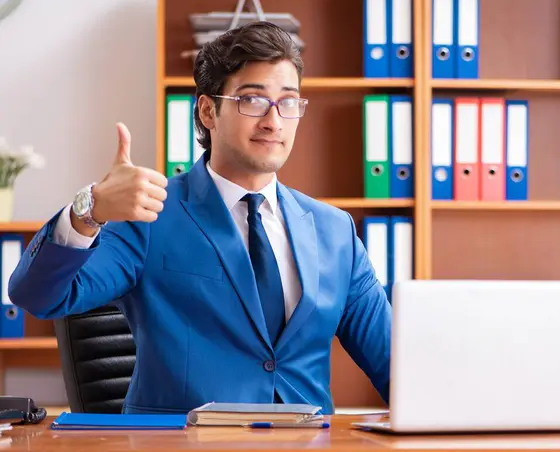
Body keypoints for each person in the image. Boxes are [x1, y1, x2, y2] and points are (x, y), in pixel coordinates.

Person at [8, 21, 391, 415]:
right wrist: (90, 210)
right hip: (180, 444)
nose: (274, 121)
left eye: (289, 102)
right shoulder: (149, 213)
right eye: (252, 100)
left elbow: (394, 363)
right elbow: (38, 296)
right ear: (208, 111)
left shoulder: (335, 231)